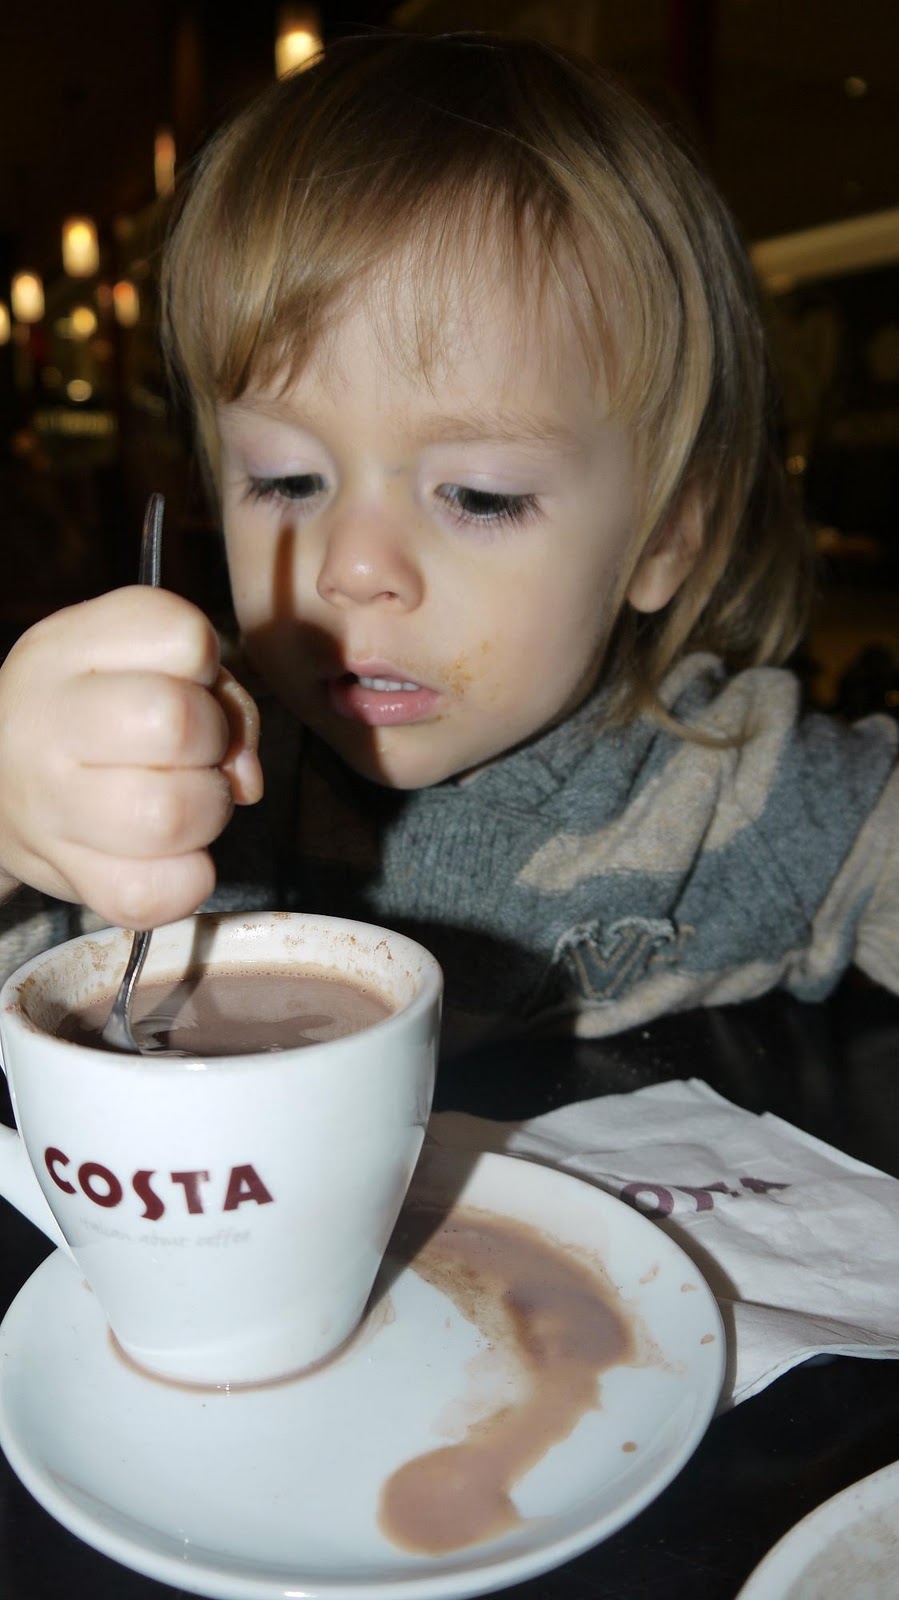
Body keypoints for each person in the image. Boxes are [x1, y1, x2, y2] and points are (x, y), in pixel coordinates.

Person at [0, 31, 895, 1055]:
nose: (352, 568)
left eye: (478, 494)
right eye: (287, 480)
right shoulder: (191, 786)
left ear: (665, 536)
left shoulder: (738, 803)